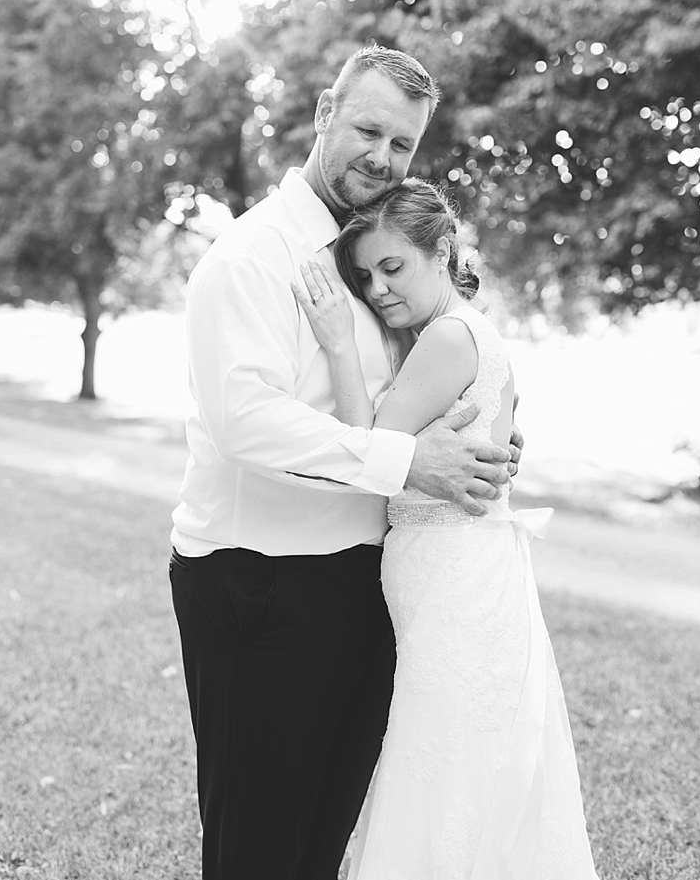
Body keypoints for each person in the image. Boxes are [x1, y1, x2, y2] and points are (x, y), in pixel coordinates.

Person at [169, 45, 520, 879]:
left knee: (321, 840)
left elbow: (417, 371)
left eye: (401, 144)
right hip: (259, 578)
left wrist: (486, 436)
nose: (381, 156)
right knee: (258, 844)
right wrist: (403, 460)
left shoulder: (368, 254)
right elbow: (246, 421)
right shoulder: (251, 256)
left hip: (362, 580)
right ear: (324, 113)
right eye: (367, 129)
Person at [294, 180, 598, 878]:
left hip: (456, 576)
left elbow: (366, 449)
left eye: (392, 267)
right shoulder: (464, 332)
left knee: (446, 759)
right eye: (365, 276)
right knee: (464, 754)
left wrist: (339, 344)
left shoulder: (449, 337)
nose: (376, 289)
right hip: (463, 567)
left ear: (442, 250)